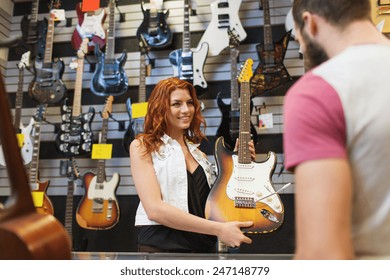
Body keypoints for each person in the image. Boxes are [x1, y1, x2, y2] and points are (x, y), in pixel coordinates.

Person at [283, 0, 390, 259]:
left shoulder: (319, 90)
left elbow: (322, 255)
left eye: (299, 41)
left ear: (310, 23)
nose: (303, 48)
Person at [130, 77, 255, 253]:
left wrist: (237, 162)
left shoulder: (199, 155)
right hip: (162, 249)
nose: (186, 110)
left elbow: (216, 202)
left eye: (190, 103)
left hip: (203, 249)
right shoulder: (142, 146)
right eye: (176, 104)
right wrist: (219, 230)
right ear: (160, 108)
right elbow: (154, 210)